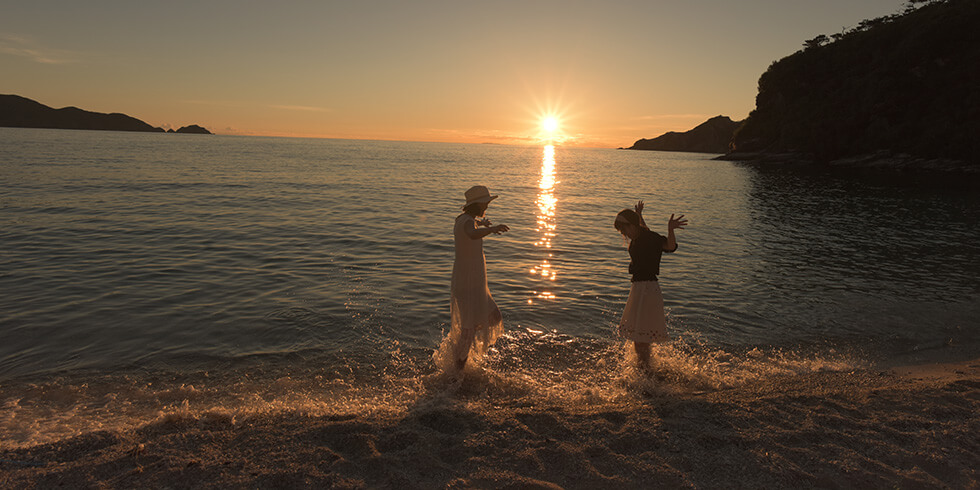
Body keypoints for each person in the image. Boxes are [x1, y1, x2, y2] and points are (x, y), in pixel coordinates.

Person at [442, 185, 510, 371]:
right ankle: (458, 368)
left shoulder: (463, 219)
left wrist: (482, 224)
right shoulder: (468, 223)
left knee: (493, 317)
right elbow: (471, 234)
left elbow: (470, 228)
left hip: (470, 280)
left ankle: (460, 351)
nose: (486, 207)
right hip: (469, 281)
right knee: (473, 325)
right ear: (478, 205)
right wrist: (492, 229)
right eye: (485, 204)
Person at [613, 200, 687, 371]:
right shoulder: (641, 236)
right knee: (638, 336)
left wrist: (670, 229)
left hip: (648, 288)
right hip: (639, 288)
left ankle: (646, 373)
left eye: (624, 229)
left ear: (632, 226)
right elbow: (644, 232)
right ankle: (645, 371)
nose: (624, 234)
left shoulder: (648, 237)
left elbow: (669, 246)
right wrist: (640, 215)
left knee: (641, 338)